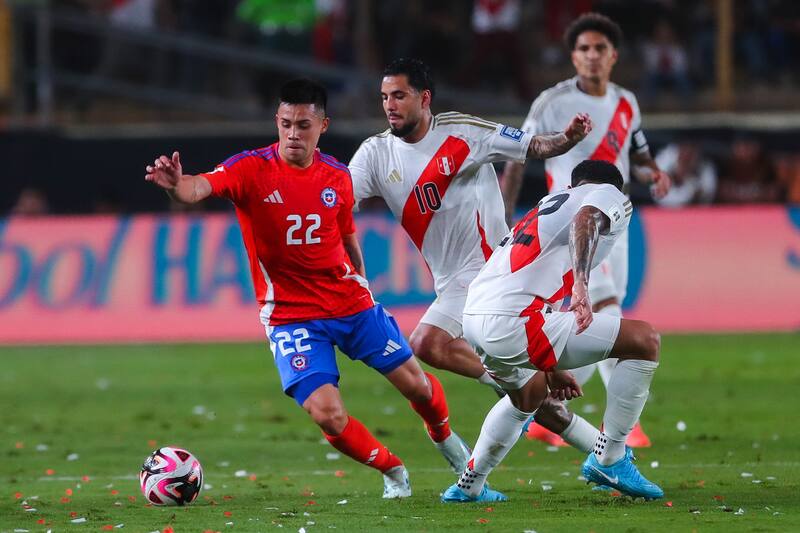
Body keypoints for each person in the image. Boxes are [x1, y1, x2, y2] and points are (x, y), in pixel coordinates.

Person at [144, 79, 472, 499]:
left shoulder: (337, 175)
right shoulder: (249, 169)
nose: (293, 134)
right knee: (328, 414)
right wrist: (176, 184)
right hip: (291, 316)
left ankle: (446, 439)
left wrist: (362, 284)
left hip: (350, 304)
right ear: (276, 123)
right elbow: (197, 188)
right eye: (285, 124)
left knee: (418, 387)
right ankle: (393, 470)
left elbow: (348, 237)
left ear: (323, 126)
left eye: (302, 125)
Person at [349, 58, 592, 398]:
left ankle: (520, 380)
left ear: (424, 98)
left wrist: (567, 138)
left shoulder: (463, 133)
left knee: (427, 342)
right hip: (449, 281)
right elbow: (339, 199)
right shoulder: (375, 154)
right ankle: (561, 413)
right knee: (537, 407)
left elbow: (533, 145)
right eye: (385, 96)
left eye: (399, 95)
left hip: (489, 268)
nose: (390, 105)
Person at [442, 160, 664, 503]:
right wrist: (582, 284)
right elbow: (587, 219)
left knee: (527, 396)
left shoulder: (546, 206)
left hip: (474, 317)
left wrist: (553, 369)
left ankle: (469, 484)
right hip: (512, 319)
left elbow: (533, 289)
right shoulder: (607, 194)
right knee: (645, 340)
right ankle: (611, 457)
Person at [501, 12, 671, 448]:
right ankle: (624, 427)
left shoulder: (626, 103)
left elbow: (637, 150)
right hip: (573, 227)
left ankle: (546, 412)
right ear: (573, 56)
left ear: (613, 56)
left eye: (599, 49)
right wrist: (505, 218)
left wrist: (653, 173)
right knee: (608, 313)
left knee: (586, 319)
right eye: (583, 49)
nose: (591, 56)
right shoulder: (551, 103)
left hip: (618, 222)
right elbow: (517, 158)